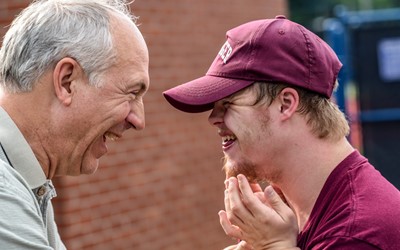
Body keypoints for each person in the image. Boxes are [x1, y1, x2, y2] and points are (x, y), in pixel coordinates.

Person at [163, 15, 400, 250]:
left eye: (227, 104)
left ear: (285, 104)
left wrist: (274, 246)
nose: (213, 119)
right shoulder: (295, 212)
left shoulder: (354, 236)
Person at [0, 0, 149, 249]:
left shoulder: (27, 182)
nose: (138, 120)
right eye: (131, 93)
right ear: (67, 81)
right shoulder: (4, 192)